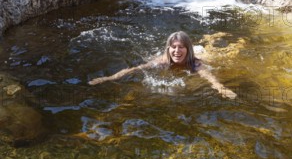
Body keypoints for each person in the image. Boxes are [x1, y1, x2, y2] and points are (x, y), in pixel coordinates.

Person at [88, 30, 237, 99]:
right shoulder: (163, 61)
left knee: (222, 53)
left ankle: (213, 37)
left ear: (187, 49)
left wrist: (222, 90)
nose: (177, 51)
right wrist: (108, 79)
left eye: (181, 47)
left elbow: (210, 78)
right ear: (168, 49)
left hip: (201, 52)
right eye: (174, 47)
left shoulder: (195, 63)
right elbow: (135, 69)